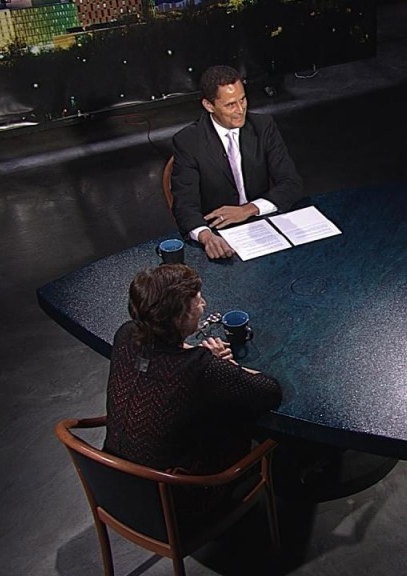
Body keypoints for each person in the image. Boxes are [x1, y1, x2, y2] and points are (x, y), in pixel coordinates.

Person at [103, 264, 282, 524]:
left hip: (115, 485)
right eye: (197, 301)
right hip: (175, 505)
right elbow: (270, 391)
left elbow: (167, 358)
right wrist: (226, 366)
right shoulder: (200, 370)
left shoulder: (127, 333)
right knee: (250, 423)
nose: (204, 304)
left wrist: (202, 358)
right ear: (178, 317)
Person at [170, 64, 304, 259]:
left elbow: (291, 183)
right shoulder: (188, 142)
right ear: (209, 106)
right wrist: (207, 237)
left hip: (261, 221)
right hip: (219, 235)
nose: (240, 110)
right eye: (230, 104)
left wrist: (248, 210)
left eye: (243, 100)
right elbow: (184, 204)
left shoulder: (263, 126)